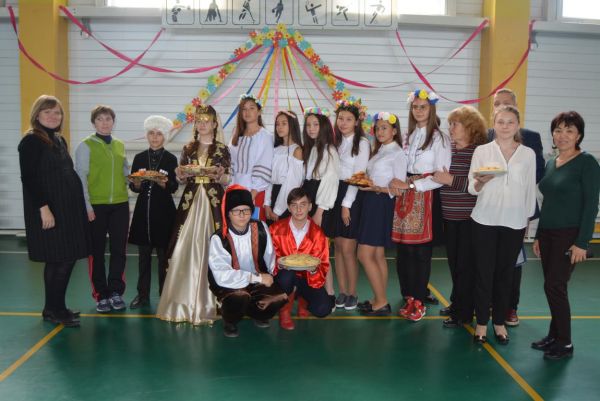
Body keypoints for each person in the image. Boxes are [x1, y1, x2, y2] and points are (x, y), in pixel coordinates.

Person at [532, 111, 600, 360]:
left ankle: (565, 342)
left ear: (579, 135)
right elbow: (548, 202)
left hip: (568, 235)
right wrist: (538, 235)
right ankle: (554, 335)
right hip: (548, 234)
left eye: (569, 131)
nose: (563, 135)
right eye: (558, 130)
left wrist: (582, 242)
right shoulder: (552, 162)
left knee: (555, 286)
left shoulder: (587, 163)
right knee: (552, 286)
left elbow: (591, 205)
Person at [18, 95, 89, 327]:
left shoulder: (58, 139)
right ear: (37, 115)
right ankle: (55, 310)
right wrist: (44, 209)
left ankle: (54, 307)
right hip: (50, 209)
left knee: (63, 259)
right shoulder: (31, 141)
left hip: (67, 209)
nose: (53, 116)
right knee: (60, 259)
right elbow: (29, 178)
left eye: (57, 112)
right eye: (47, 112)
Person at [156, 104, 231, 325]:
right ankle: (182, 299)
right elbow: (182, 178)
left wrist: (219, 176)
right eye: (199, 121)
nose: (202, 124)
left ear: (215, 124)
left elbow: (227, 179)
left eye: (207, 121)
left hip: (213, 203)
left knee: (214, 246)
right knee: (183, 245)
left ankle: (212, 301)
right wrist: (180, 175)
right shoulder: (188, 148)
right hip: (190, 202)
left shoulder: (222, 149)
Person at [469, 105, 536, 345]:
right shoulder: (482, 151)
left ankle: (499, 322)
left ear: (517, 125)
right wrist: (481, 182)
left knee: (505, 275)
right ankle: (481, 323)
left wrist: (527, 220)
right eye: (500, 122)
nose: (505, 126)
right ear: (493, 124)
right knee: (483, 274)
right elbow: (471, 187)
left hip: (514, 222)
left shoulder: (528, 154)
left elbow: (530, 190)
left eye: (510, 122)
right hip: (484, 220)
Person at [390, 89, 451, 322]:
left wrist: (413, 186)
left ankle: (419, 299)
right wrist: (396, 182)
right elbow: (400, 164)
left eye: (423, 107)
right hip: (405, 195)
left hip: (426, 195)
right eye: (415, 107)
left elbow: (440, 175)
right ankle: (408, 295)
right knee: (403, 250)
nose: (418, 110)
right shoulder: (408, 135)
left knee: (420, 252)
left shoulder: (440, 138)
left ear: (431, 109)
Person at [488, 88, 545, 327]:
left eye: (506, 103)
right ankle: (490, 303)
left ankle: (510, 306)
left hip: (517, 209)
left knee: (513, 258)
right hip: (490, 209)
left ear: (515, 106)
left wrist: (511, 183)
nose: (501, 106)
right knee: (489, 258)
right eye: (497, 104)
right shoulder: (486, 135)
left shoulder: (531, 137)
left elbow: (538, 172)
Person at [432, 106, 487, 327]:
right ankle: (458, 302)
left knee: (465, 267)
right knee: (455, 264)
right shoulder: (449, 150)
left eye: (455, 124)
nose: (451, 128)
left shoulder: (479, 152)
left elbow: (480, 186)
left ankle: (463, 312)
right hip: (449, 217)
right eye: (450, 124)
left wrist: (450, 180)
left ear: (470, 127)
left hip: (468, 219)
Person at [208, 185, 288, 337]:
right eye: (236, 211)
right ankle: (230, 320)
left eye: (246, 210)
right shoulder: (219, 238)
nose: (242, 215)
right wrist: (255, 278)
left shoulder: (260, 227)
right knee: (240, 296)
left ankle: (257, 313)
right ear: (228, 213)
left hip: (257, 278)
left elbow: (269, 255)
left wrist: (272, 276)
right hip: (231, 284)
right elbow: (222, 275)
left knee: (280, 296)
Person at [75, 105, 129, 313]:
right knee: (96, 252)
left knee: (119, 251)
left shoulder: (120, 145)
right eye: (100, 119)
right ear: (93, 122)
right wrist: (87, 206)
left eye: (108, 119)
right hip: (96, 206)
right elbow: (81, 178)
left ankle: (115, 291)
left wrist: (136, 180)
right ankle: (101, 294)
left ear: (113, 122)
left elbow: (125, 172)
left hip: (120, 204)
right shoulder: (85, 146)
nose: (105, 123)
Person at [356, 112, 407, 316]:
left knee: (363, 254)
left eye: (384, 128)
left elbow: (399, 189)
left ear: (394, 131)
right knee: (377, 255)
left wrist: (377, 188)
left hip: (381, 203)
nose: (379, 131)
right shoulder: (380, 151)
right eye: (377, 128)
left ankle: (382, 301)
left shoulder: (397, 153)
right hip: (371, 201)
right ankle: (379, 298)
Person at [324, 99, 370, 311]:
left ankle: (352, 293)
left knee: (349, 248)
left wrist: (346, 204)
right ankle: (342, 291)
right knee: (339, 247)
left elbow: (358, 176)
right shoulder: (336, 142)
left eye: (348, 119)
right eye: (340, 118)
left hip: (351, 195)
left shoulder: (362, 143)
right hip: (335, 193)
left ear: (356, 122)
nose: (343, 123)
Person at [127, 116, 178, 309]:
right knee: (143, 257)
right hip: (143, 213)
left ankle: (165, 295)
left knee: (164, 258)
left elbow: (173, 187)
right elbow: (134, 187)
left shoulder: (171, 159)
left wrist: (163, 182)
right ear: (147, 135)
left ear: (164, 137)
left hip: (163, 213)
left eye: (159, 134)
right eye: (151, 133)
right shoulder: (140, 158)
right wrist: (137, 183)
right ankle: (142, 295)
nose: (155, 137)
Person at [270, 188, 335, 330]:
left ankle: (303, 300)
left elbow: (323, 264)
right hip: (283, 277)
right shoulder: (275, 229)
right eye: (294, 205)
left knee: (323, 309)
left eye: (303, 204)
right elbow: (268, 258)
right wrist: (279, 265)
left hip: (308, 279)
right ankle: (285, 310)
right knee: (287, 277)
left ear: (310, 206)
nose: (298, 209)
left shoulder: (318, 234)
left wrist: (313, 271)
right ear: (288, 208)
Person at [229, 94, 273, 221]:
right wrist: (230, 189)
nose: (247, 112)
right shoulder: (236, 134)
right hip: (235, 190)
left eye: (252, 108)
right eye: (244, 109)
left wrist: (250, 196)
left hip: (255, 192)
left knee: (253, 227)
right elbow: (231, 163)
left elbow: (265, 165)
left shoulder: (265, 136)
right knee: (236, 225)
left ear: (259, 112)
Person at [301, 107, 340, 227]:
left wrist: (319, 212)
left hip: (320, 203)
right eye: (308, 125)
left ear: (324, 126)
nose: (311, 128)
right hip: (308, 198)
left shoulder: (329, 150)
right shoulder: (311, 148)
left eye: (315, 124)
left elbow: (330, 181)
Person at [264, 110, 304, 225]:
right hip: (273, 195)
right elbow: (269, 178)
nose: (279, 127)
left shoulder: (297, 150)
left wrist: (278, 210)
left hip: (288, 199)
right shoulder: (275, 149)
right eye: (277, 124)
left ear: (292, 125)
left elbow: (292, 183)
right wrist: (267, 203)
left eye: (284, 123)